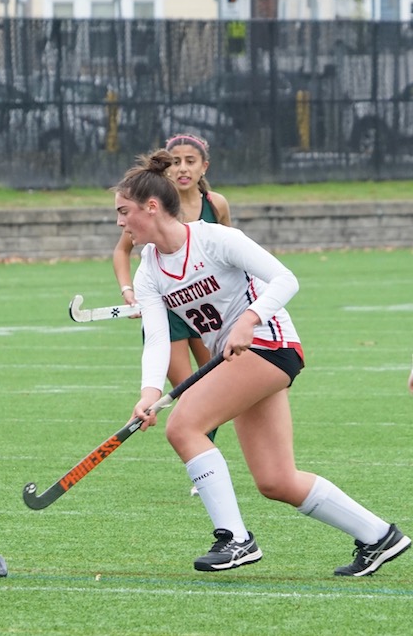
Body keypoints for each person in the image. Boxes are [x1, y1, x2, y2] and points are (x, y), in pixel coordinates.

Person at [114, 149, 410, 576]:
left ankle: (234, 540)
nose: (120, 223)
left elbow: (287, 279)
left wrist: (249, 320)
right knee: (276, 480)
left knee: (183, 426)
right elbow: (158, 337)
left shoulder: (216, 239)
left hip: (271, 346)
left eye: (124, 212)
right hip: (238, 361)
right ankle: (379, 536)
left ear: (152, 207)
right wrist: (148, 392)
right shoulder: (148, 271)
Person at [113, 133, 231, 495]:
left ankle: (204, 453)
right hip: (167, 311)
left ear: (203, 167)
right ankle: (206, 463)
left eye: (190, 161)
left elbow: (227, 255)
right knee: (191, 391)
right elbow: (123, 252)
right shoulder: (149, 208)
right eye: (176, 161)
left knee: (218, 382)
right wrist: (131, 292)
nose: (182, 168)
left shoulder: (216, 204)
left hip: (203, 307)